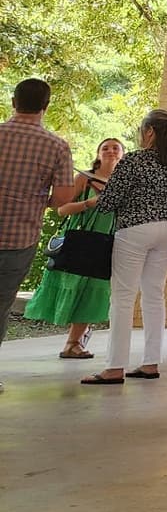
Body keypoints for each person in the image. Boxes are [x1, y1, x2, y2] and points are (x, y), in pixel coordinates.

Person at [81, 108, 167, 385]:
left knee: (123, 296)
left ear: (150, 131)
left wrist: (96, 193)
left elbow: (109, 202)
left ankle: (115, 366)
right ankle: (151, 363)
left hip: (136, 228)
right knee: (154, 293)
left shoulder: (134, 160)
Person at [0, 79, 78, 389]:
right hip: (19, 237)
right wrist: (35, 199)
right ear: (46, 107)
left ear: (13, 101)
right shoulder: (56, 146)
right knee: (2, 303)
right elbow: (62, 198)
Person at [28, 136, 124, 358]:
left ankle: (74, 343)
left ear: (123, 154)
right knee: (75, 284)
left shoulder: (125, 183)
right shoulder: (85, 179)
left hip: (106, 243)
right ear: (98, 154)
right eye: (106, 148)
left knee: (93, 291)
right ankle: (74, 341)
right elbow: (61, 210)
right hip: (80, 241)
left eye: (115, 148)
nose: (111, 151)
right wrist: (88, 204)